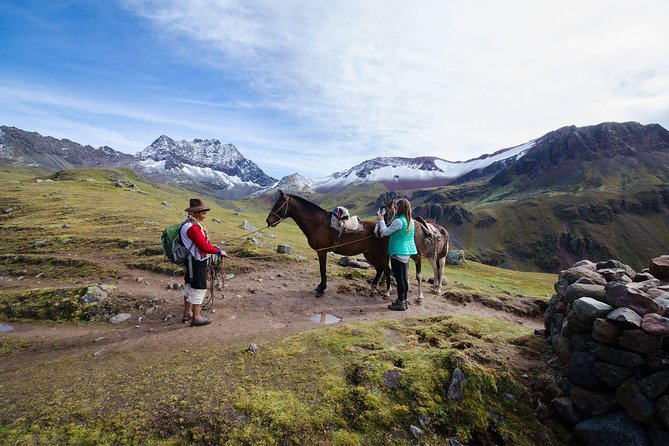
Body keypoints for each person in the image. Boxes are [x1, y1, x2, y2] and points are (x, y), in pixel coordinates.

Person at [181, 198, 228, 326]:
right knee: (199, 287)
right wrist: (219, 252)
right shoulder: (193, 227)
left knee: (190, 286)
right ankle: (196, 317)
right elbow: (203, 247)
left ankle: (187, 313)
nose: (205, 215)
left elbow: (201, 243)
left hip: (191, 260)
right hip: (196, 261)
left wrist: (211, 246)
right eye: (203, 212)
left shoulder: (191, 224)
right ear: (195, 213)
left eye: (205, 212)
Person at [376, 198, 417, 311]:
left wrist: (381, 220)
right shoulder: (410, 221)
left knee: (399, 279)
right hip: (406, 252)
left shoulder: (398, 221)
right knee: (403, 277)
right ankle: (403, 299)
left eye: (396, 207)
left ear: (400, 208)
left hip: (398, 252)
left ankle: (400, 303)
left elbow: (385, 232)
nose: (394, 209)